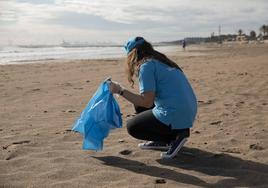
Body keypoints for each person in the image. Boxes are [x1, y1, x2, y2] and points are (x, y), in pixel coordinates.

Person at [109, 37, 197, 159]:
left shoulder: (146, 66)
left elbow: (146, 102)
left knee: (133, 127)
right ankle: (170, 136)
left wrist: (120, 90)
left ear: (132, 54)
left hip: (175, 113)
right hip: (188, 111)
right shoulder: (163, 61)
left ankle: (173, 137)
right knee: (138, 104)